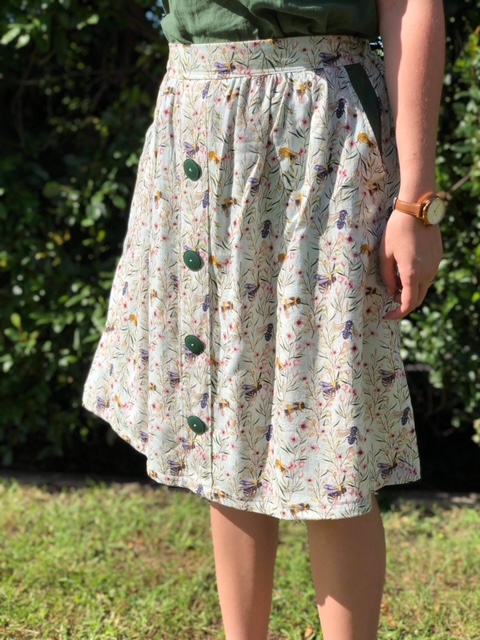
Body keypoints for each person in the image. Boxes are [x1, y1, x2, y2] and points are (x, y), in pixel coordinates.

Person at [83, 1, 445, 638]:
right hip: (197, 126)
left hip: (321, 131)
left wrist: (416, 202)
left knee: (332, 426)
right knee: (225, 418)